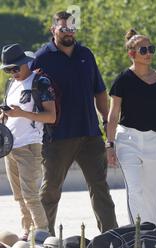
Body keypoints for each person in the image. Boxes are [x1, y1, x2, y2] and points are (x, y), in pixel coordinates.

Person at [31, 11, 118, 236]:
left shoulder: (86, 54)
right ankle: (43, 240)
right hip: (57, 136)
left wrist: (106, 121)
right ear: (53, 30)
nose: (69, 33)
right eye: (63, 29)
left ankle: (111, 238)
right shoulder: (42, 58)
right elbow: (29, 95)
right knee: (50, 190)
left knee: (100, 188)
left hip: (90, 133)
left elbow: (99, 91)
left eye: (72, 29)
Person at [107, 29, 156, 225]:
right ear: (132, 54)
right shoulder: (123, 79)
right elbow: (113, 114)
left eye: (151, 49)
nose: (149, 53)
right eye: (143, 50)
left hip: (153, 140)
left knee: (151, 191)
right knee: (134, 188)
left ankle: (152, 233)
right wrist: (110, 143)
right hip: (128, 140)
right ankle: (138, 235)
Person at [0, 44, 56, 240]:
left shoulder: (40, 82)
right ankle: (27, 232)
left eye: (16, 68)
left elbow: (51, 117)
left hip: (30, 145)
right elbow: (13, 114)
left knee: (30, 194)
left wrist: (20, 113)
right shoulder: (11, 84)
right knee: (19, 196)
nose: (13, 72)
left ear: (26, 63)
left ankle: (42, 233)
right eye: (8, 69)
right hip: (10, 146)